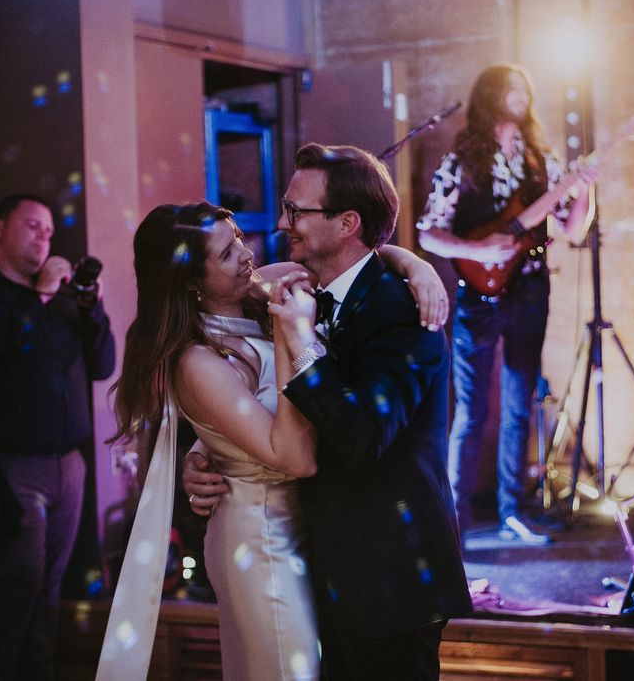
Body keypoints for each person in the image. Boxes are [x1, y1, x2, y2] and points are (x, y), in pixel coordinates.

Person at [98, 201, 453, 680]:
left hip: (316, 534)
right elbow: (297, 457)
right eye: (226, 253)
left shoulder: (260, 288)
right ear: (190, 281)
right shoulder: (196, 362)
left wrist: (417, 266)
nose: (246, 254)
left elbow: (363, 257)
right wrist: (294, 337)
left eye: (240, 238)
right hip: (262, 541)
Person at [187, 144, 471, 680]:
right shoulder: (309, 290)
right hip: (329, 569)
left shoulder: (404, 311)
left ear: (346, 223)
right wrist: (206, 453)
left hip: (389, 576)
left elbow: (364, 438)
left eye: (297, 211)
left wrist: (302, 341)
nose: (281, 222)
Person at [416, 64, 596, 544]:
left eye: (524, 89)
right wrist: (477, 250)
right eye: (510, 89)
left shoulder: (543, 159)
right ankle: (453, 518)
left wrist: (588, 186)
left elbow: (572, 228)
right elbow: (428, 231)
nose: (519, 95)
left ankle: (512, 512)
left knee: (519, 404)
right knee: (471, 410)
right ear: (491, 96)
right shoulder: (462, 159)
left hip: (532, 288)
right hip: (476, 293)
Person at [0, 193, 115, 680]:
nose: (43, 238)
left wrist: (91, 308)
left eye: (48, 231)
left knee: (49, 590)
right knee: (16, 585)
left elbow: (104, 363)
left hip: (69, 465)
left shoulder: (56, 295)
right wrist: (42, 296)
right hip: (11, 466)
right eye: (32, 226)